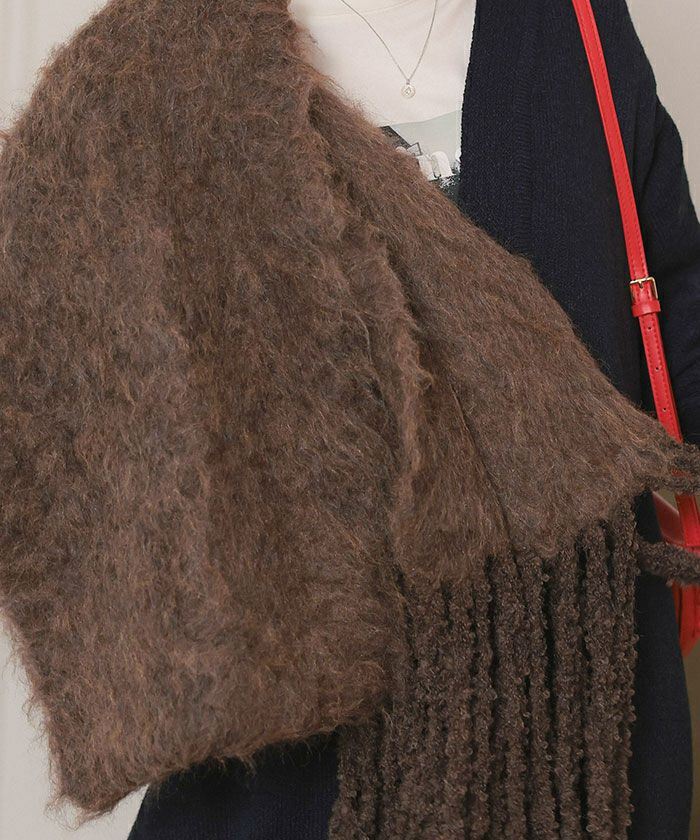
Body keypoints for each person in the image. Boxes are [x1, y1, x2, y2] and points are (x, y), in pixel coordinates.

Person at [123, 0, 700, 838]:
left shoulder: (576, 20)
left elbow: (673, 294)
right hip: (298, 736)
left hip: (578, 716)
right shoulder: (177, 50)